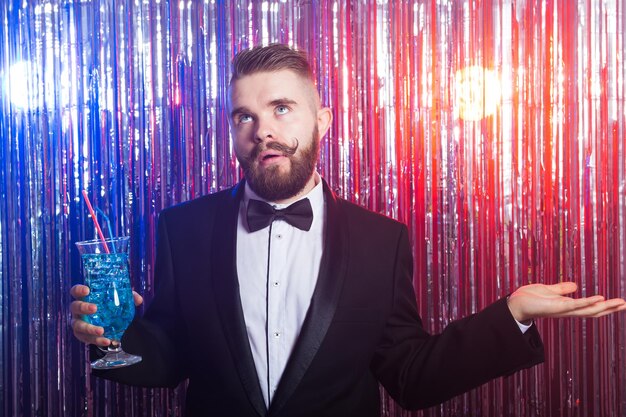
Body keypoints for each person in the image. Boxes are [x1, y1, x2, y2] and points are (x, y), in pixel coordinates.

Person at [70, 44, 626, 417]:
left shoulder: (382, 243)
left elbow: (411, 377)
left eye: (282, 108)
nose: (263, 130)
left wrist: (514, 315)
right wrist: (112, 337)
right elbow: (169, 357)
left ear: (323, 120)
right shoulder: (181, 228)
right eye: (244, 116)